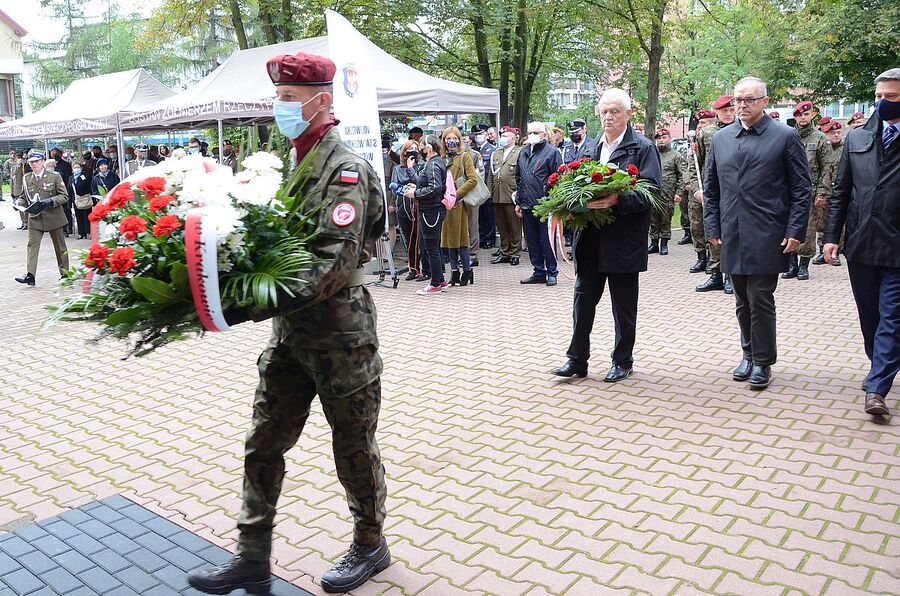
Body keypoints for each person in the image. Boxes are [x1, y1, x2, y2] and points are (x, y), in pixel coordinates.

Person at [187, 51, 390, 595]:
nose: (280, 110)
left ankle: (370, 544)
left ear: (322, 102)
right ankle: (252, 556)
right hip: (290, 336)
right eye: (278, 100)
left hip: (340, 335)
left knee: (352, 445)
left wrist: (241, 304)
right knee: (263, 442)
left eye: (288, 101)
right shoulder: (292, 165)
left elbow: (332, 264)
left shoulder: (345, 171)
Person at [704, 76, 811, 390]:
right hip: (732, 233)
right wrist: (712, 226)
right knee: (740, 299)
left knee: (760, 297)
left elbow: (801, 189)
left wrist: (795, 230)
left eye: (750, 99)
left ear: (764, 101)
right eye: (738, 99)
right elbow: (711, 190)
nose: (742, 105)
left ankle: (763, 361)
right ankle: (747, 354)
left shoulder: (785, 137)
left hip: (768, 233)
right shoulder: (721, 140)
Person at [551, 88, 662, 382]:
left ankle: (622, 360)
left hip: (624, 240)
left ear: (628, 114)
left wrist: (617, 200)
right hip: (590, 239)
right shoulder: (588, 149)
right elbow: (573, 187)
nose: (609, 117)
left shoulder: (643, 148)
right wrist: (572, 207)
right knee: (582, 301)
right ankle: (577, 359)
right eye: (604, 112)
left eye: (615, 111)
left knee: (623, 305)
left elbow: (651, 193)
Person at [823, 67, 900, 417]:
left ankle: (878, 388)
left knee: (892, 316)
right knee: (869, 314)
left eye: (892, 97)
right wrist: (830, 238)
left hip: (897, 246)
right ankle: (879, 365)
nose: (883, 103)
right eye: (878, 97)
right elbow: (841, 192)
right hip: (862, 242)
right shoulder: (857, 137)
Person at [694, 95, 737, 294]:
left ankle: (730, 275)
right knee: (712, 232)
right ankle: (716, 274)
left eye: (731, 110)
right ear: (717, 112)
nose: (728, 114)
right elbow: (696, 163)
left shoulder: (741, 130)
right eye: (724, 111)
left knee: (731, 233)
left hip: (732, 192)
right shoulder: (707, 134)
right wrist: (697, 187)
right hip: (712, 192)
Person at [516, 121, 562, 286]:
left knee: (546, 240)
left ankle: (551, 271)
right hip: (527, 204)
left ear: (544, 134)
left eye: (536, 132)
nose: (532, 136)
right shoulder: (523, 152)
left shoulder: (552, 152)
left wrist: (554, 202)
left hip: (545, 204)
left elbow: (558, 179)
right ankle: (538, 271)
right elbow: (519, 178)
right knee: (532, 240)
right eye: (530, 132)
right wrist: (519, 201)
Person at [14, 153, 71, 286]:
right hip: (35, 217)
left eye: (37, 161)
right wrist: (19, 203)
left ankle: (65, 274)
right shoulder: (27, 178)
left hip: (54, 216)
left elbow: (64, 196)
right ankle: (30, 274)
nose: (34, 164)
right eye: (31, 162)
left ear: (43, 162)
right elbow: (24, 196)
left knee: (60, 247)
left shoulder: (54, 176)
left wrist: (51, 201)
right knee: (32, 246)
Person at [789, 101, 830, 281]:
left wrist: (822, 192)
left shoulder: (819, 138)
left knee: (808, 229)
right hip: (789, 192)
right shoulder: (789, 135)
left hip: (811, 191)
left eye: (806, 114)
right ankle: (791, 264)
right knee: (789, 227)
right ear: (795, 117)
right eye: (800, 115)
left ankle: (803, 265)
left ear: (812, 114)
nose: (803, 118)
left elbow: (827, 167)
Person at [405, 134, 447, 295]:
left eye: (421, 146)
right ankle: (440, 280)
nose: (420, 149)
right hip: (430, 210)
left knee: (431, 248)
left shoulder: (434, 164)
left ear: (428, 148)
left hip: (431, 211)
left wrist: (415, 194)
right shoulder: (433, 163)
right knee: (433, 246)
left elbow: (434, 188)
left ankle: (435, 283)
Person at [440, 127, 478, 286]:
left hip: (458, 203)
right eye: (447, 138)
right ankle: (454, 271)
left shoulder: (464, 157)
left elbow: (472, 179)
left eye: (454, 138)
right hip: (443, 203)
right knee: (448, 239)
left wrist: (456, 194)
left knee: (461, 238)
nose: (451, 141)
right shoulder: (442, 158)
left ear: (459, 139)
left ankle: (467, 270)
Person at [391, 140, 425, 280]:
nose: (413, 151)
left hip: (418, 205)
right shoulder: (397, 169)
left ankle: (426, 268)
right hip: (403, 206)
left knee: (418, 238)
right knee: (409, 239)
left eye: (415, 149)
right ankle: (413, 268)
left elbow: (421, 183)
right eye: (409, 149)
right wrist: (406, 188)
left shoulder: (422, 165)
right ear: (404, 152)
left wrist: (411, 169)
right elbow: (394, 186)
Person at [812, 120, 845, 266]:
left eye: (838, 132)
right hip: (826, 190)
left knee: (840, 222)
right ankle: (822, 251)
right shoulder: (825, 148)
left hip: (840, 190)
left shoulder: (846, 148)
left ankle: (836, 252)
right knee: (822, 222)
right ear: (826, 133)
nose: (836, 135)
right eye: (833, 133)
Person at [649, 128, 686, 256]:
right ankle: (654, 243)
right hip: (654, 192)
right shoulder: (652, 154)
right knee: (653, 218)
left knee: (666, 218)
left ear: (669, 138)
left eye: (664, 138)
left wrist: (679, 192)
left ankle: (664, 244)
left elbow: (682, 175)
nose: (661, 140)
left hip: (668, 193)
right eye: (659, 138)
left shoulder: (676, 156)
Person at [489, 126, 522, 266]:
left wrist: (520, 194)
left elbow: (522, 175)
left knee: (514, 226)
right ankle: (504, 252)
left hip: (512, 194)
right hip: (498, 194)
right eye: (502, 135)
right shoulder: (496, 153)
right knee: (502, 226)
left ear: (513, 138)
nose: (503, 138)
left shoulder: (519, 152)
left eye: (506, 136)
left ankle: (515, 253)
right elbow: (491, 174)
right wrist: (490, 192)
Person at [683, 109, 716, 250]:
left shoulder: (715, 137)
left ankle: (711, 258)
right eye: (699, 123)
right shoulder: (696, 139)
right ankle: (701, 256)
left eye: (703, 123)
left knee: (711, 224)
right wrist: (694, 186)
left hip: (711, 187)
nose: (700, 126)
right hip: (698, 187)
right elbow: (691, 164)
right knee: (696, 223)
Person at [472, 123, 497, 251]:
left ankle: (489, 238)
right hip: (475, 188)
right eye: (476, 135)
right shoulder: (472, 150)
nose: (478, 137)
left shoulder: (493, 150)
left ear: (486, 134)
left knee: (489, 214)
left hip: (487, 186)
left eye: (480, 134)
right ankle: (481, 237)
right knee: (479, 215)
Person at [69, 160, 93, 239]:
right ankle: (81, 233)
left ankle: (88, 232)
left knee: (86, 216)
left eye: (78, 167)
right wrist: (70, 202)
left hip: (85, 199)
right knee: (78, 216)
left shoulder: (86, 176)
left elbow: (89, 187)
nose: (76, 169)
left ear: (81, 168)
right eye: (75, 167)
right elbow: (69, 190)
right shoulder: (71, 178)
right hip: (76, 200)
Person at [10, 152, 28, 230]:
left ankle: (27, 222)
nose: (19, 159)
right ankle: (23, 222)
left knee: (25, 207)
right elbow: (11, 179)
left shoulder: (23, 167)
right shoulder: (13, 167)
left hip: (22, 190)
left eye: (20, 158)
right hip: (16, 190)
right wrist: (12, 192)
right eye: (17, 158)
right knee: (19, 208)